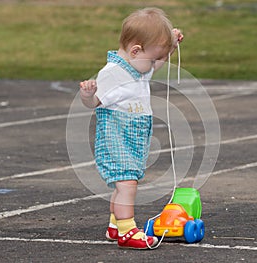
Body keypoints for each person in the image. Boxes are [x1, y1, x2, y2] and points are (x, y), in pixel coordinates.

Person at [80, 7, 183, 249]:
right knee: (127, 184)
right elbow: (93, 104)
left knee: (124, 183)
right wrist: (87, 94)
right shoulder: (113, 74)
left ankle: (115, 226)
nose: (154, 64)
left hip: (133, 139)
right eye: (153, 57)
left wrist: (170, 48)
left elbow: (153, 66)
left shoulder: (138, 67)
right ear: (136, 50)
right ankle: (127, 230)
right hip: (116, 139)